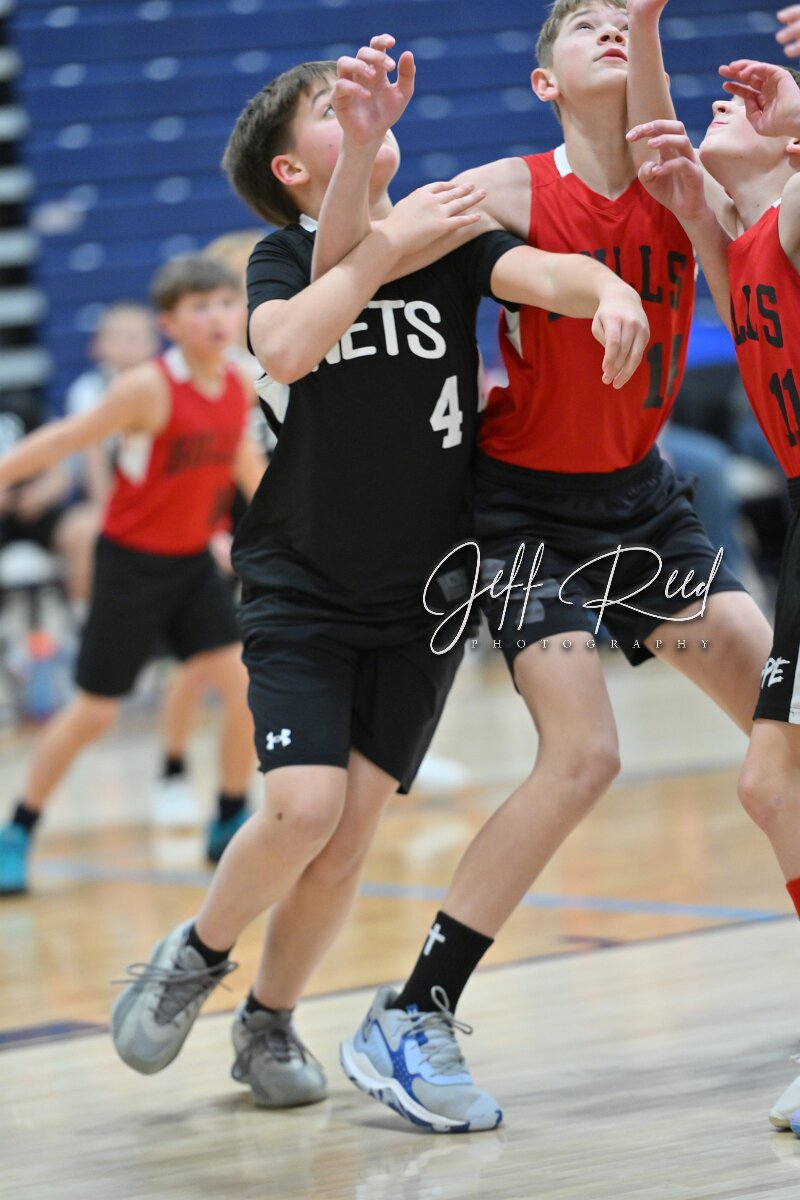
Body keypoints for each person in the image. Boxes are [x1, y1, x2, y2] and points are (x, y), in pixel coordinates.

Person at [107, 47, 648, 1127]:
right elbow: (289, 348)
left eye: (358, 105)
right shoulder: (278, 259)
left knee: (348, 835)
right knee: (300, 809)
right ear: (291, 169)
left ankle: (269, 1018)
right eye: (330, 111)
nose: (356, 113)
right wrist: (381, 238)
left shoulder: (449, 241)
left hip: (424, 596)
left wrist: (606, 288)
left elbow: (545, 276)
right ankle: (198, 951)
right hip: (303, 584)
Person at [327, 5, 775, 1134]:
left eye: (620, 21)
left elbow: (662, 129)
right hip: (520, 511)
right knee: (582, 756)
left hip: (642, 505)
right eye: (583, 26)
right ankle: (411, 1012)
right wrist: (358, 160)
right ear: (544, 83)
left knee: (786, 739)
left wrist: (643, 24)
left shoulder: (680, 178)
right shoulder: (509, 190)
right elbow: (355, 262)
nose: (608, 31)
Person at [627, 50, 800, 1133]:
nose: (720, 107)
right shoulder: (749, 233)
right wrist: (696, 211)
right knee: (773, 786)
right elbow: (732, 282)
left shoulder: (792, 214)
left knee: (774, 784)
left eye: (743, 103)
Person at [0, 254, 263, 895]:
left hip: (192, 564)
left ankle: (228, 818)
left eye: (225, 303)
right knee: (94, 713)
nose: (216, 317)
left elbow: (247, 468)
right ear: (168, 323)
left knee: (247, 693)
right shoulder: (147, 388)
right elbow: (65, 439)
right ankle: (17, 831)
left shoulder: (237, 384)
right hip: (131, 566)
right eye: (199, 307)